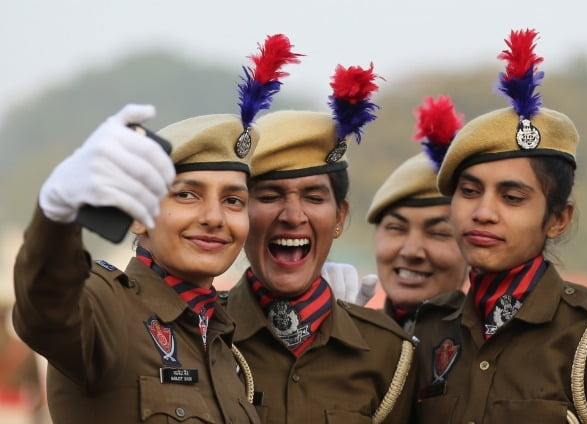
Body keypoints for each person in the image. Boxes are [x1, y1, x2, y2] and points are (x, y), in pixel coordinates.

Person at [12, 34, 301, 423]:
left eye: (233, 201)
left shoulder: (221, 337)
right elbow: (45, 308)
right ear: (137, 213)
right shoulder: (106, 305)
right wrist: (56, 214)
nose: (215, 217)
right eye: (187, 195)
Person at [411, 29, 587, 423]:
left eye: (512, 197)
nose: (483, 212)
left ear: (558, 219)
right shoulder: (430, 327)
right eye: (470, 191)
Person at [220, 64, 416, 423]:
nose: (293, 216)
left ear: (340, 218)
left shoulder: (389, 352)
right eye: (269, 196)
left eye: (313, 197)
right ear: (238, 212)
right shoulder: (202, 334)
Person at [366, 95, 469, 332]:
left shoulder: (492, 352)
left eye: (439, 232)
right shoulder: (351, 342)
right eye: (396, 228)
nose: (411, 251)